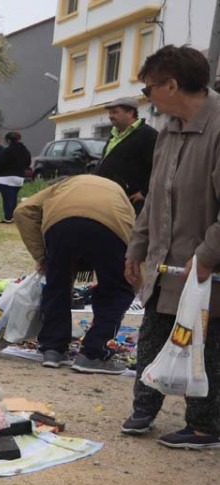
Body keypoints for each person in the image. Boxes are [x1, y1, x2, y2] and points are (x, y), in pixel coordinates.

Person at [123, 45, 220, 448]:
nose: (148, 99)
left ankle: (205, 425)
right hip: (166, 261)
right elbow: (156, 196)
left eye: (148, 90)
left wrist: (208, 254)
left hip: (205, 265)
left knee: (206, 342)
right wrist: (137, 247)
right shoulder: (169, 129)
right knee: (154, 330)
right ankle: (145, 406)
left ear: (172, 84)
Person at [14, 175, 135, 373]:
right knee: (116, 289)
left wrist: (43, 257)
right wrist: (133, 283)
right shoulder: (117, 194)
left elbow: (23, 210)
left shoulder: (61, 187)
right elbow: (133, 245)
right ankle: (94, 353)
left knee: (57, 284)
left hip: (61, 224)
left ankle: (53, 349)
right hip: (110, 226)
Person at [95, 97, 158, 216]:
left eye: (115, 112)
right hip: (107, 197)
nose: (111, 116)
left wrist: (144, 192)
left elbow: (159, 166)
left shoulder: (147, 135)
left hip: (129, 201)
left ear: (130, 113)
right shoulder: (115, 134)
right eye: (110, 112)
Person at [0, 131, 30, 224]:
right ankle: (14, 217)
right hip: (19, 178)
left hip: (6, 178)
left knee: (7, 199)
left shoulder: (7, 151)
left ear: (9, 140)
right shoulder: (24, 150)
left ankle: (8, 217)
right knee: (13, 198)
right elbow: (28, 162)